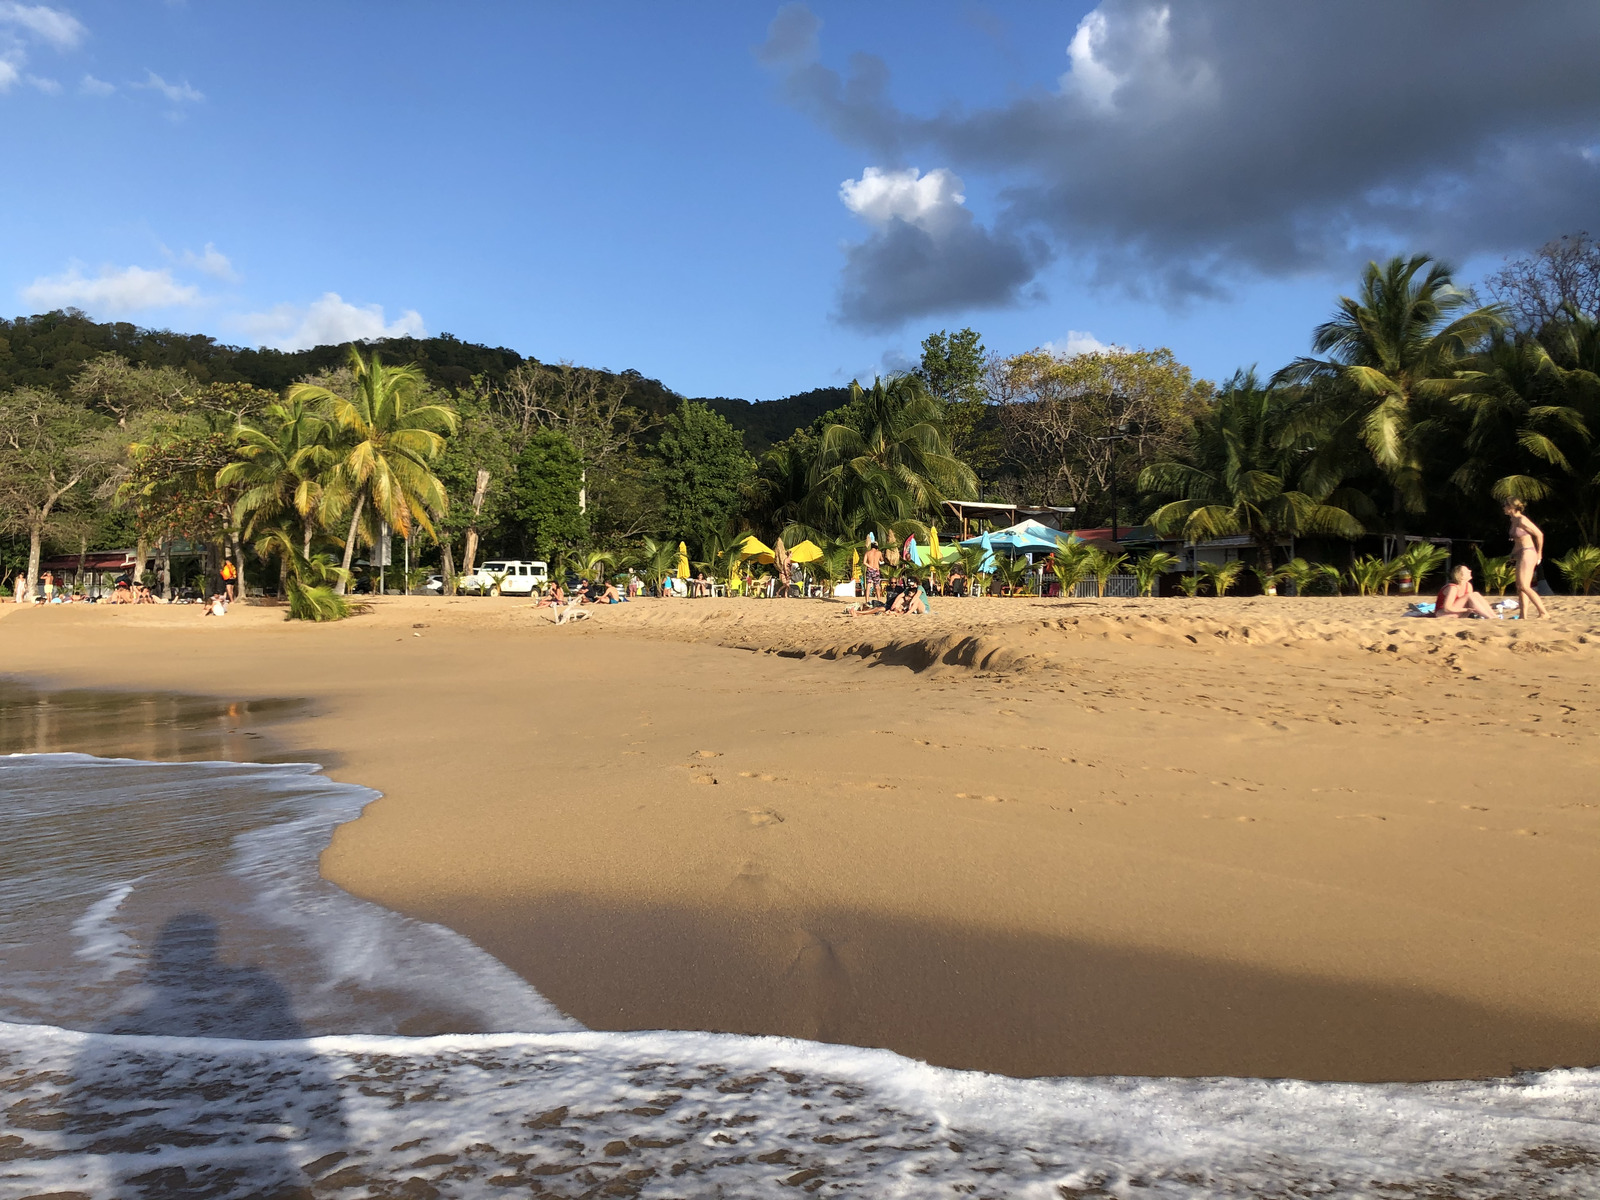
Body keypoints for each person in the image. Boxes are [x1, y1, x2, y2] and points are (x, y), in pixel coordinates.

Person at [1504, 498, 1550, 619]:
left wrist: (1539, 553)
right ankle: (1523, 615)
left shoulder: (1522, 520)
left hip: (1528, 552)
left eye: (1505, 505)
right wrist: (1512, 555)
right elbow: (1518, 541)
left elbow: (1539, 534)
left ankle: (1543, 612)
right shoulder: (1513, 520)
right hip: (1520, 553)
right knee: (1520, 587)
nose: (1503, 508)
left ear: (1511, 507)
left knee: (1524, 586)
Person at [1434, 564, 1499, 619]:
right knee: (1469, 595)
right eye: (1467, 571)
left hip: (1459, 612)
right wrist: (1466, 609)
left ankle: (1494, 616)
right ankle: (1489, 617)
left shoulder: (1468, 585)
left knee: (1475, 594)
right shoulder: (1452, 588)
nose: (1470, 571)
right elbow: (1447, 608)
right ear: (1461, 576)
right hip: (1443, 614)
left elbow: (1472, 602)